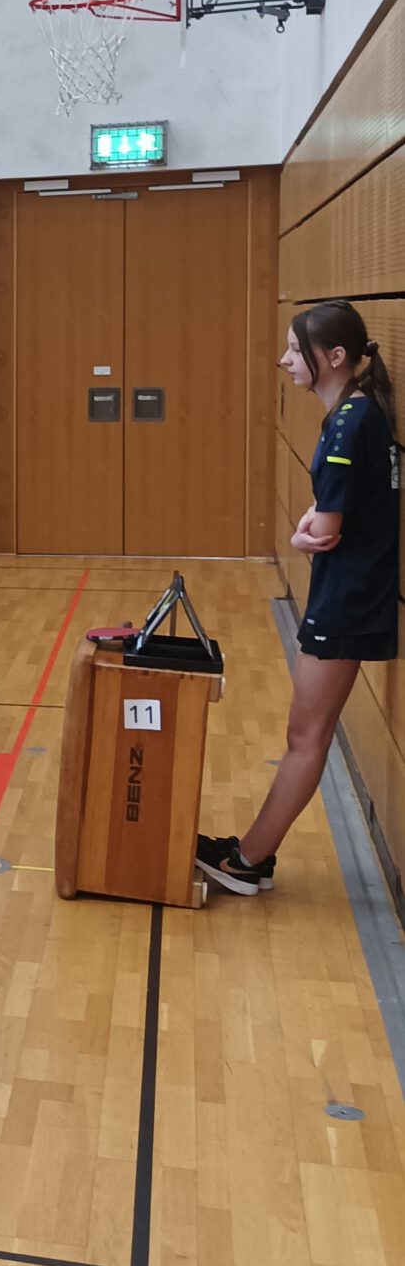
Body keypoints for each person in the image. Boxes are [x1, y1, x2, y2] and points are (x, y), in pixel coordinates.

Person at [198, 301, 399, 895]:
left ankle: (248, 861)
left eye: (294, 350)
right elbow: (333, 506)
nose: (284, 360)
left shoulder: (348, 423)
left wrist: (304, 533)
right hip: (351, 592)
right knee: (307, 735)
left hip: (346, 599)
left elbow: (326, 527)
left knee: (305, 738)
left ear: (333, 357)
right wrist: (313, 522)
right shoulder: (356, 413)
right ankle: (252, 853)